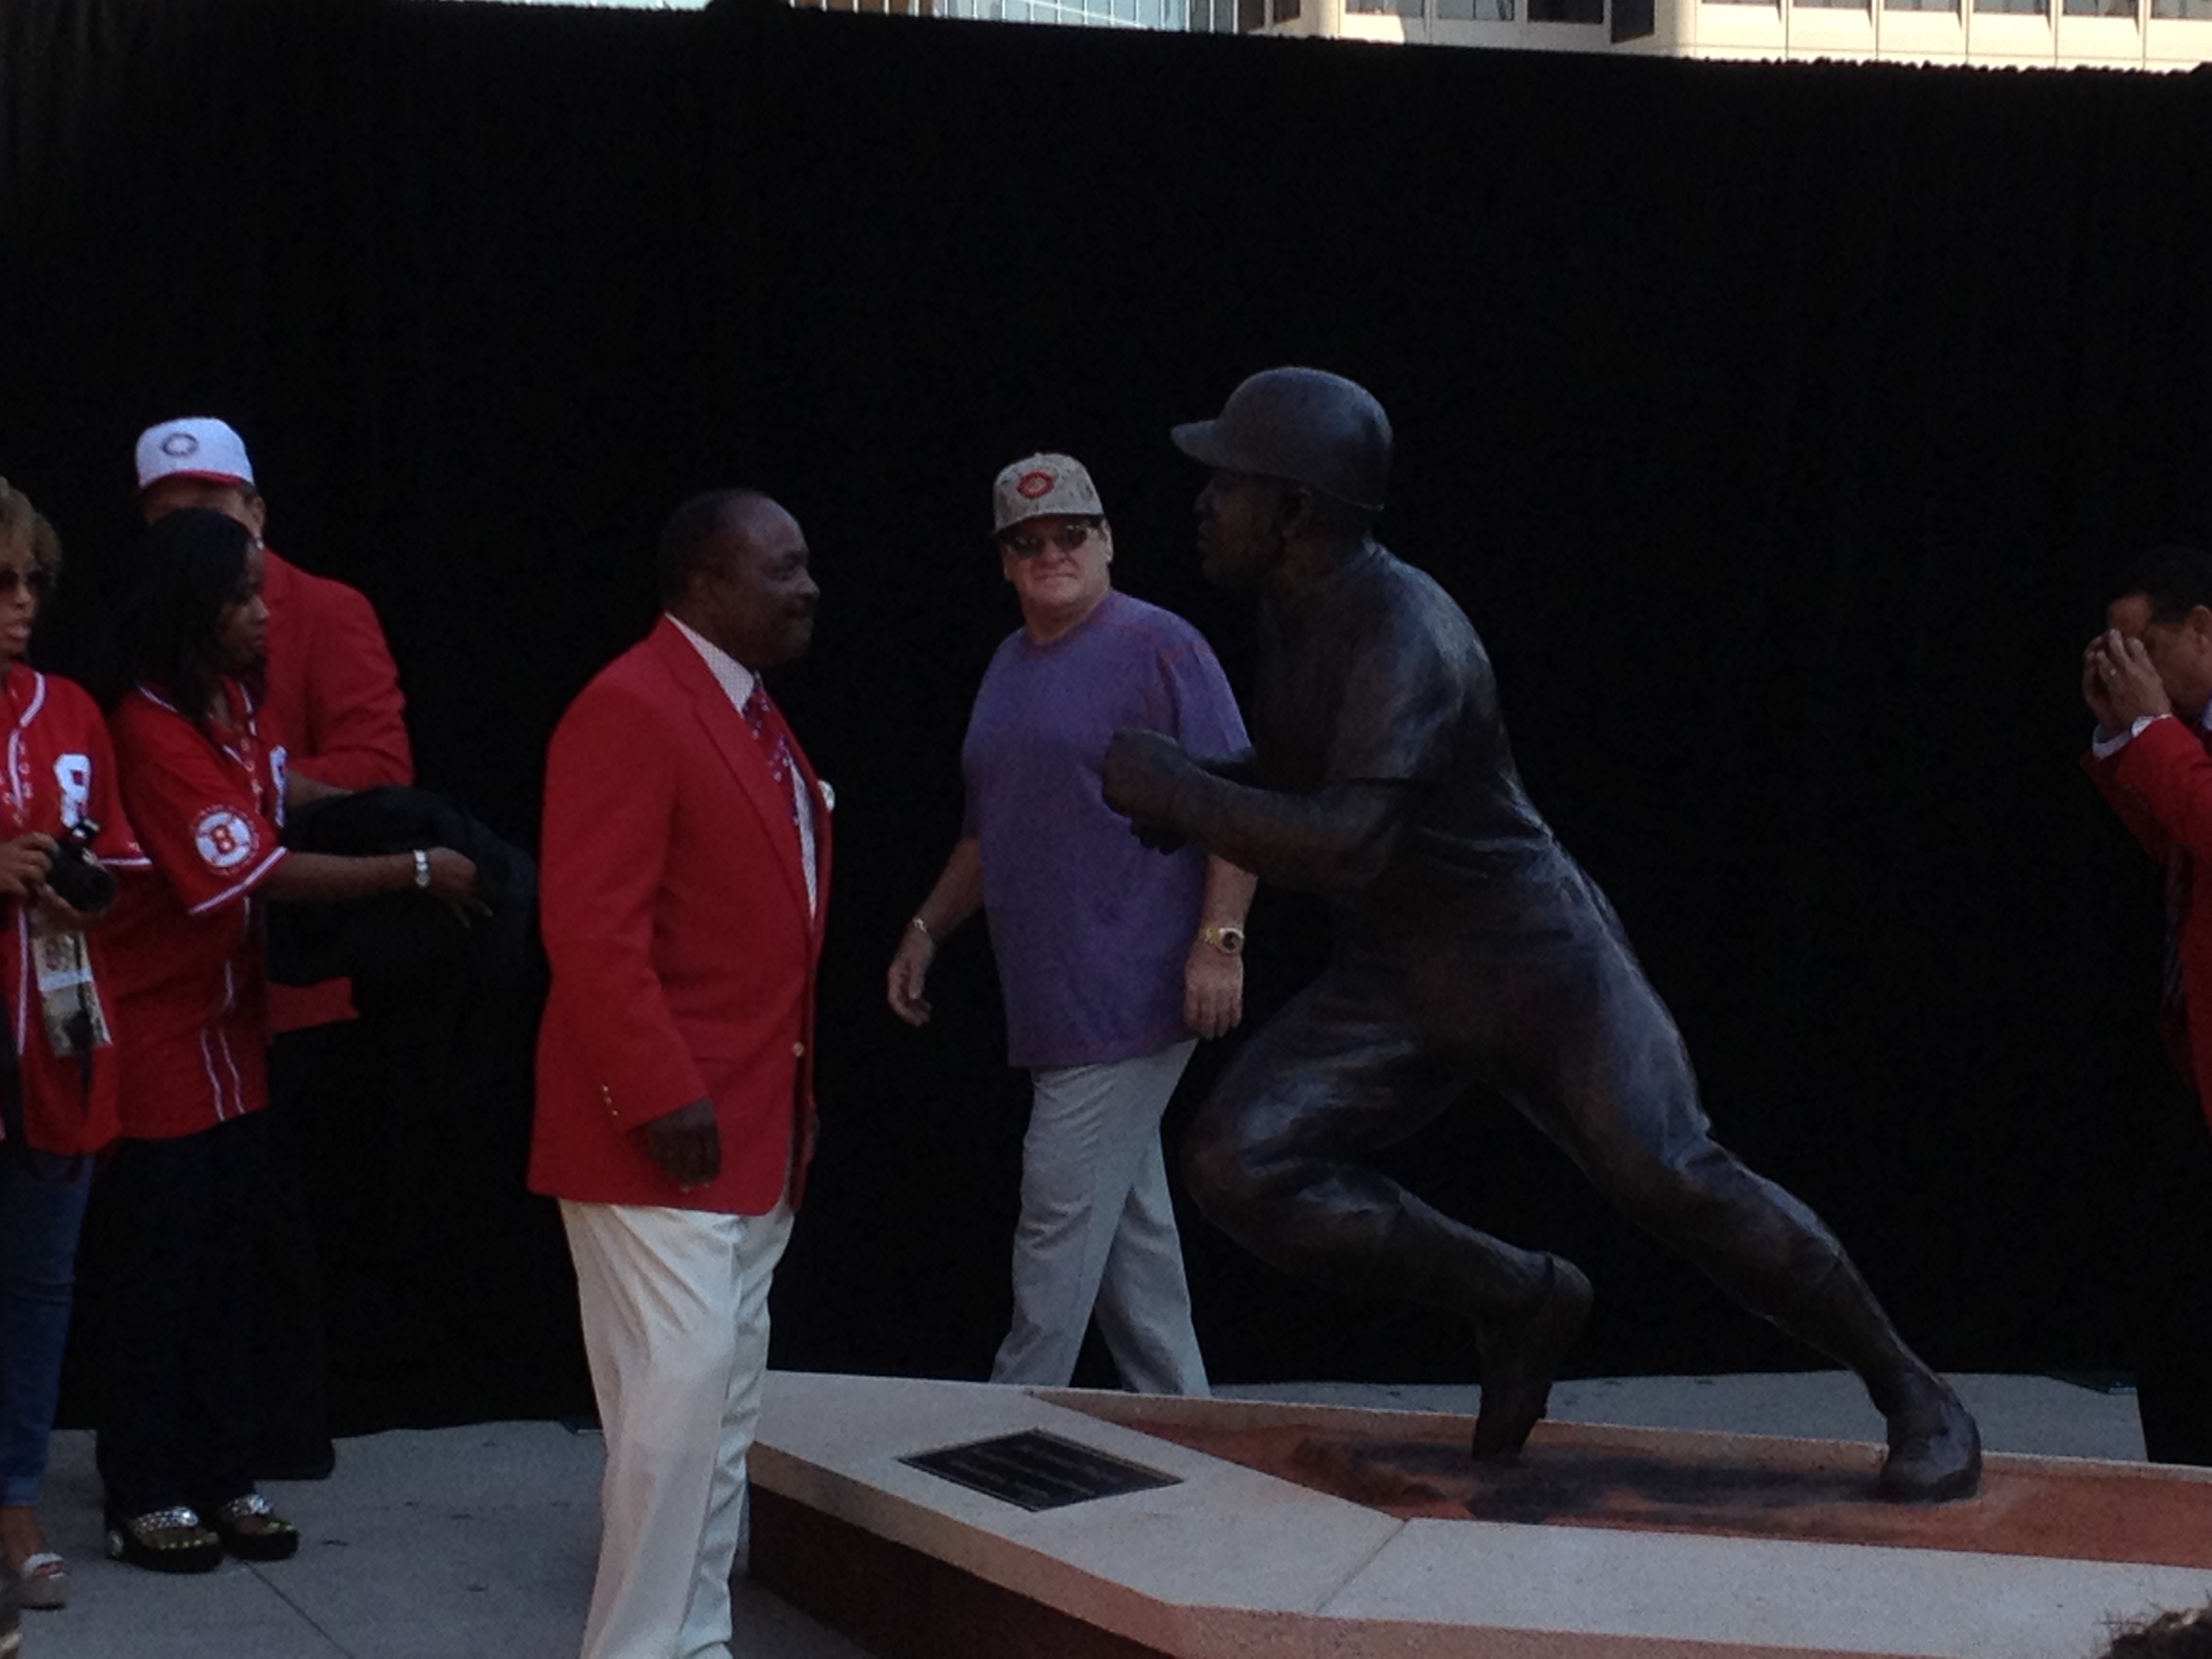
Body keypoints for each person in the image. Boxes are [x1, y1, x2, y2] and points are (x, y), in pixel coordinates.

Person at [1101, 367, 1982, 1501]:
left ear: (1296, 512)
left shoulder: (1408, 631)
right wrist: (1207, 789)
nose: (1203, 503)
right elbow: (1307, 781)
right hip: (1398, 976)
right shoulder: (1292, 610)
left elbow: (1350, 842)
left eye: (1226, 482)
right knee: (1237, 1163)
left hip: (1535, 964)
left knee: (1674, 1174)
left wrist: (1178, 791)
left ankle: (1918, 1392)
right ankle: (1519, 1296)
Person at [96, 508, 480, 1573]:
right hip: (161, 1039)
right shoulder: (148, 726)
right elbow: (251, 870)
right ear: (197, 610)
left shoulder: (236, 708)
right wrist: (413, 870)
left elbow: (278, 794)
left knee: (230, 1268)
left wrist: (407, 813)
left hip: (234, 1036)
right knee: (164, 1272)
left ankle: (223, 1476)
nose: (266, 612)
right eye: (244, 597)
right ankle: (144, 1489)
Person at [530, 489, 828, 1659]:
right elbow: (594, 931)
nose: (809, 588)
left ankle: (694, 1641)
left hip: (756, 1129)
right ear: (705, 585)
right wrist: (661, 1092)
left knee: (718, 1412)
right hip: (657, 1135)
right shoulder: (631, 708)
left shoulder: (754, 715)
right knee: (673, 1412)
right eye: (784, 569)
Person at [886, 453, 1253, 1395]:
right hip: (1051, 1000)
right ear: (1006, 562)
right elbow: (989, 828)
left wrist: (1220, 942)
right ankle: (1191, 1427)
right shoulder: (1008, 666)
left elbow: (1239, 813)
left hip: (1133, 987)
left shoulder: (1163, 648)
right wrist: (927, 927)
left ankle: (1008, 1423)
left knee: (1056, 1216)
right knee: (1129, 1233)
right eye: (1028, 541)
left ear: (1108, 541)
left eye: (1071, 534)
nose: (1052, 552)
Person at [136, 415, 415, 1479]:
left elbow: (380, 773)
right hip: (173, 984)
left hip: (289, 976)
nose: (193, 532)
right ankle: (201, 1450)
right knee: (183, 1231)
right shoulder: (149, 634)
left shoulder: (326, 612)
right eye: (169, 519)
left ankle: (278, 1439)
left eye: (209, 509)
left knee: (279, 1230)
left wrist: (238, 788)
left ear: (255, 512)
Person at [0, 480, 148, 1613]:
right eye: (0, 583)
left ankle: (14, 1502)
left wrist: (81, 892)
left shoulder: (72, 711)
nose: (21, 603)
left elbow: (129, 873)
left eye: (33, 581)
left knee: (42, 1286)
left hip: (55, 1039)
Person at [2079, 546, 2212, 1467]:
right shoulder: (2188, 730)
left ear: (2203, 628)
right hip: (2196, 1061)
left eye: (2143, 647)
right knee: (2167, 1289)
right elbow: (2178, 845)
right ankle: (2181, 1492)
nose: (2130, 670)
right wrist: (2117, 739)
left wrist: (2154, 729)